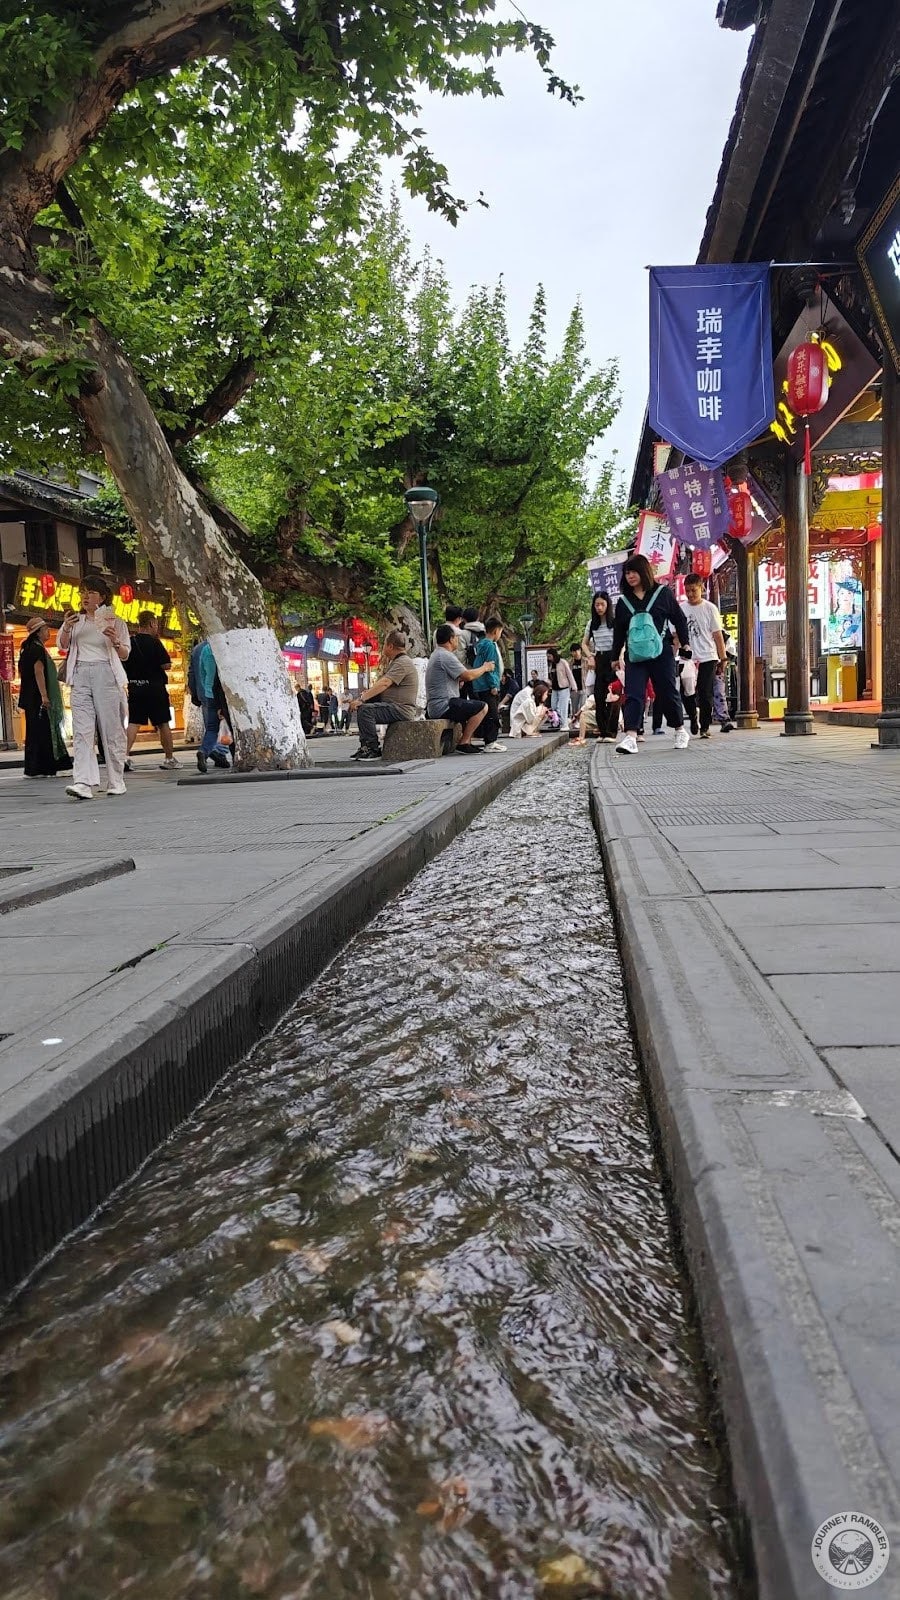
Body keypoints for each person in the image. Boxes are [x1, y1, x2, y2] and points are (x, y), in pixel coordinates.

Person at [56, 575, 130, 799]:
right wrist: (67, 628)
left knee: (111, 729)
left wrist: (115, 640)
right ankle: (83, 782)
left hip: (105, 673)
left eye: (90, 592)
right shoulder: (75, 620)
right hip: (79, 674)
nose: (85, 597)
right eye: (82, 592)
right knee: (82, 730)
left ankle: (116, 780)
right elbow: (61, 644)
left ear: (103, 596)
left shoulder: (115, 621)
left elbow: (125, 654)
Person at [611, 554, 691, 755]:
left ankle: (680, 729)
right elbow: (619, 632)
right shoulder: (623, 603)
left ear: (644, 572)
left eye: (634, 572)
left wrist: (686, 643)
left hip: (661, 652)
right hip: (635, 655)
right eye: (627, 573)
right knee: (634, 694)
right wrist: (615, 657)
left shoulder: (662, 594)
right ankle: (631, 736)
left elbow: (679, 619)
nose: (630, 576)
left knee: (666, 692)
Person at [350, 629, 420, 761]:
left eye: (383, 645)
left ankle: (372, 748)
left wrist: (362, 699)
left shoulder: (402, 662)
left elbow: (385, 683)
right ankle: (365, 746)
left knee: (366, 711)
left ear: (390, 646)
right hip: (394, 705)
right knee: (364, 706)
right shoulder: (397, 662)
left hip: (401, 709)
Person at [124, 610, 180, 770]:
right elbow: (166, 664)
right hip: (155, 689)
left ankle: (125, 756)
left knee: (134, 723)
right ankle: (169, 759)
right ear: (151, 624)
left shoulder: (130, 642)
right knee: (163, 724)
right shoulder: (155, 642)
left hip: (135, 687)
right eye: (155, 624)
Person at [17, 616, 72, 778]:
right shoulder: (37, 650)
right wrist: (44, 696)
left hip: (29, 698)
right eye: (46, 629)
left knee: (34, 733)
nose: (48, 632)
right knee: (45, 732)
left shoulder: (27, 649)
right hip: (38, 698)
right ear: (39, 632)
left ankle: (34, 768)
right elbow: (39, 672)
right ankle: (47, 766)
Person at [424, 623, 493, 752]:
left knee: (469, 705)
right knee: (482, 707)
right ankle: (464, 742)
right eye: (456, 638)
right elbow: (468, 675)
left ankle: (466, 740)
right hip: (444, 705)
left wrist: (458, 680)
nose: (457, 640)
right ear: (451, 639)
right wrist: (485, 667)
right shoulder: (445, 655)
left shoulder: (437, 654)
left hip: (437, 705)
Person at [681, 573, 728, 740]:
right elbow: (675, 636)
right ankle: (693, 716)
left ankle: (705, 726)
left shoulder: (710, 609)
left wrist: (723, 658)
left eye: (694, 590)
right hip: (686, 657)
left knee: (705, 691)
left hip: (708, 656)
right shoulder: (681, 609)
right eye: (687, 591)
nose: (691, 594)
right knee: (686, 692)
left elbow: (717, 635)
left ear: (701, 588)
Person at [582, 592, 618, 740]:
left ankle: (611, 732)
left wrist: (619, 657)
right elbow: (584, 643)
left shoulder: (615, 621)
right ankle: (603, 731)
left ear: (608, 605)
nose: (599, 607)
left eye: (602, 604)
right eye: (597, 604)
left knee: (613, 696)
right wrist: (590, 656)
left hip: (613, 658)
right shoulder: (592, 624)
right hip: (599, 659)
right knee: (599, 696)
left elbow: (621, 641)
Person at [193, 640, 232, 773]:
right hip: (223, 693)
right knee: (231, 726)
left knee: (211, 728)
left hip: (209, 693)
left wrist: (205, 689)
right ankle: (230, 755)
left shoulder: (204, 650)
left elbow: (201, 673)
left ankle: (203, 751)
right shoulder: (223, 647)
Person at [472, 616, 506, 752]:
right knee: (492, 713)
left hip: (479, 684)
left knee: (486, 713)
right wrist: (494, 686)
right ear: (496, 631)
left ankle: (488, 741)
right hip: (488, 685)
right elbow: (491, 666)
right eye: (500, 632)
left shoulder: (480, 644)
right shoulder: (490, 645)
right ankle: (490, 742)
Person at [547, 646, 577, 735]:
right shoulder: (551, 665)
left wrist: (574, 686)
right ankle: (558, 721)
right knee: (554, 706)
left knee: (563, 706)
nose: (548, 658)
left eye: (549, 656)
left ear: (553, 655)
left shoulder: (563, 662)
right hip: (554, 688)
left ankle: (565, 724)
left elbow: (569, 674)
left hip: (564, 687)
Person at [569, 644, 585, 714]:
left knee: (583, 707)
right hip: (574, 689)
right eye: (573, 651)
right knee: (574, 708)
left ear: (580, 650)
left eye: (577, 650)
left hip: (583, 687)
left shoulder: (585, 661)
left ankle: (581, 722)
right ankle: (574, 722)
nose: (576, 653)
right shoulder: (570, 663)